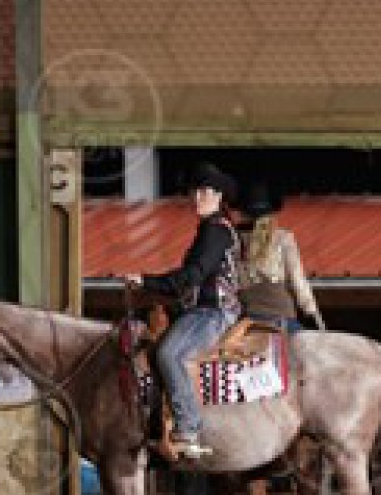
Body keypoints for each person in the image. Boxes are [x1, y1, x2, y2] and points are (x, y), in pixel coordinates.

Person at [121, 163, 242, 461]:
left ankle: (188, 428)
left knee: (168, 353)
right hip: (202, 311)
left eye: (205, 191)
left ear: (219, 196)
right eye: (195, 191)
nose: (197, 197)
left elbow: (191, 277)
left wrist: (146, 281)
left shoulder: (215, 231)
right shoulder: (213, 231)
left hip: (212, 313)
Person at [236, 181, 324, 332]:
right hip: (281, 314)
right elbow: (297, 280)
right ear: (271, 212)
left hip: (245, 316)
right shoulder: (282, 237)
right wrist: (314, 315)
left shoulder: (231, 238)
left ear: (242, 212)